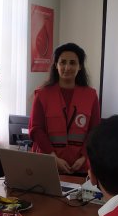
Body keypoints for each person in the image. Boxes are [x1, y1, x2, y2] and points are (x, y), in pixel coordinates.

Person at [29, 42, 100, 174]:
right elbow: (36, 129)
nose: (67, 67)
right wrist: (53, 157)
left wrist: (85, 157)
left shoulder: (91, 95)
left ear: (80, 67)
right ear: (56, 65)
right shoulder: (42, 94)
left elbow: (95, 130)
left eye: (73, 63)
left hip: (80, 166)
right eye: (63, 62)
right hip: (47, 163)